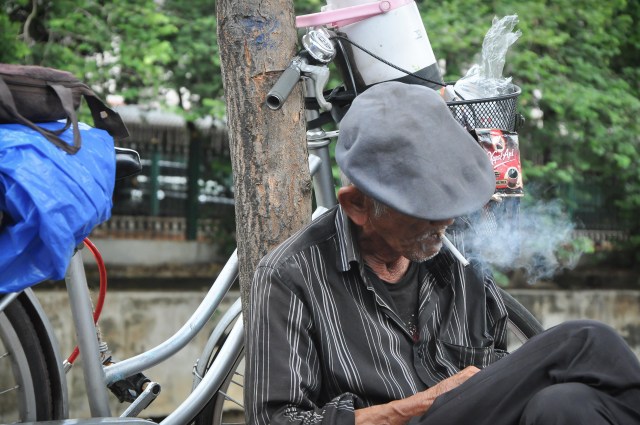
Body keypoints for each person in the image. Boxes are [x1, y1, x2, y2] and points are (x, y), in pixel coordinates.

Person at [245, 81, 640, 425]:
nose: (445, 222)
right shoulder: (291, 274)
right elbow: (276, 419)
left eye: (449, 204)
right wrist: (418, 406)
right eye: (425, 209)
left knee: (567, 405)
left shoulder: (458, 257)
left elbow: (494, 368)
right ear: (358, 207)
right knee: (585, 340)